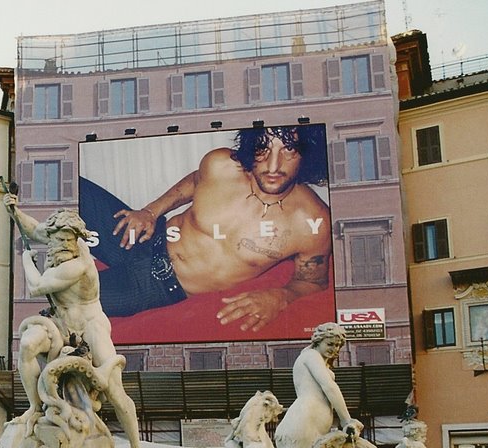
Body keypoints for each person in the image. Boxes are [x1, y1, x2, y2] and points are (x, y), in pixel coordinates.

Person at [79, 124, 331, 332]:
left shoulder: (311, 221)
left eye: (289, 150)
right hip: (143, 237)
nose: (274, 165)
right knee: (70, 186)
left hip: (157, 286)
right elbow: (196, 181)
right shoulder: (222, 164)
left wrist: (281, 296)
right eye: (263, 148)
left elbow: (313, 281)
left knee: (65, 300)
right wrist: (151, 211)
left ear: (306, 154)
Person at [3, 193, 148, 448]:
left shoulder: (78, 263)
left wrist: (26, 260)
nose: (64, 246)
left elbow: (36, 287)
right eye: (59, 241)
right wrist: (15, 211)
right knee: (29, 345)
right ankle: (34, 407)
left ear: (77, 238)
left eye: (70, 241)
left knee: (115, 391)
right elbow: (34, 229)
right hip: (59, 324)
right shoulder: (54, 234)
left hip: (90, 326)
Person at [266, 322, 362, 448]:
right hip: (305, 419)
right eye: (330, 344)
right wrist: (346, 420)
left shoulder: (318, 361)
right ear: (318, 341)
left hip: (312, 421)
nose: (335, 349)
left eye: (338, 345)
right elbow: (329, 387)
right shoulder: (311, 355)